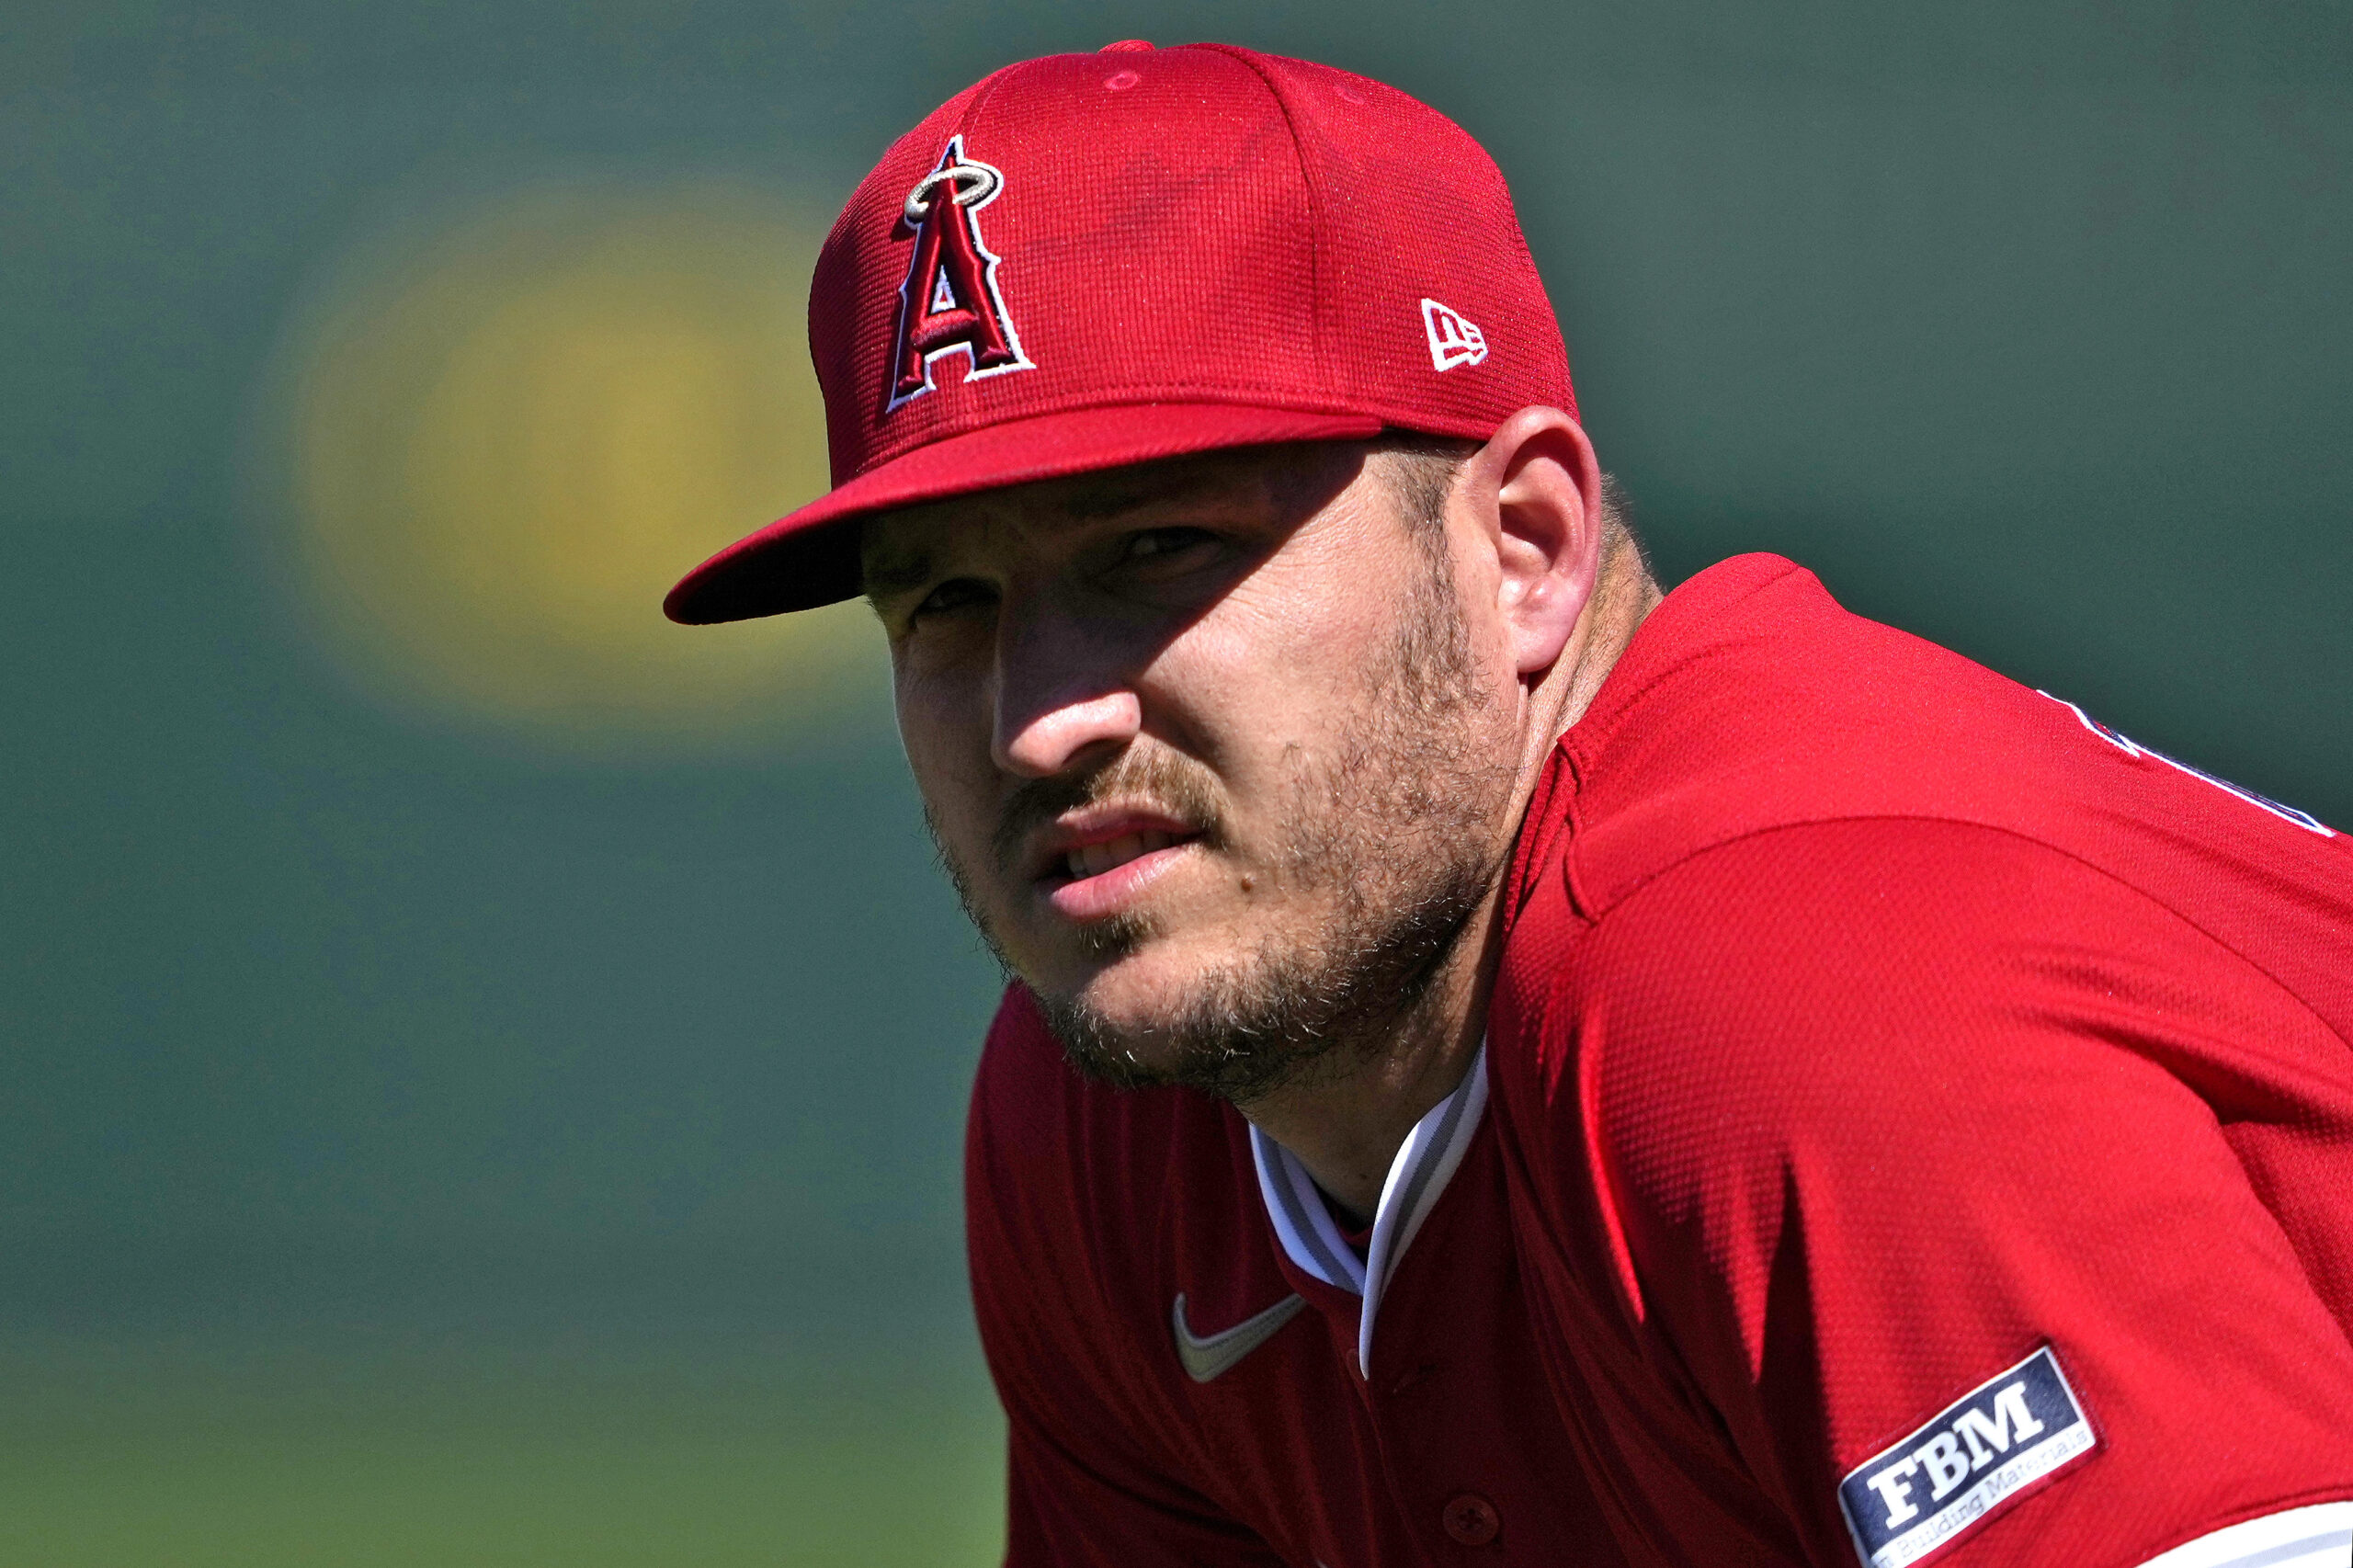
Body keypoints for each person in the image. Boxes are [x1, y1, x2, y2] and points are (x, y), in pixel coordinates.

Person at [665, 40, 2353, 1568]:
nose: (1040, 721)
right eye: (944, 605)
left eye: (1157, 550)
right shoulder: (1118, 1112)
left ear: (1521, 548)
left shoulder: (1782, 979)